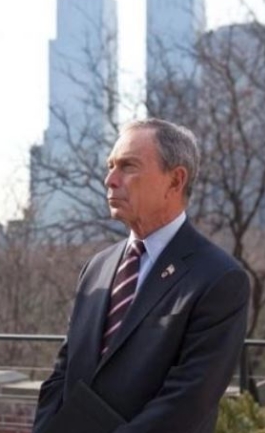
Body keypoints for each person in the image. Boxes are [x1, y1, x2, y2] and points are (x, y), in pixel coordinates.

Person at [32, 119, 250, 433]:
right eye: (110, 166)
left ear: (175, 181)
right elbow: (63, 373)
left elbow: (189, 398)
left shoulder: (219, 278)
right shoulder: (97, 267)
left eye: (128, 166)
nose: (110, 179)